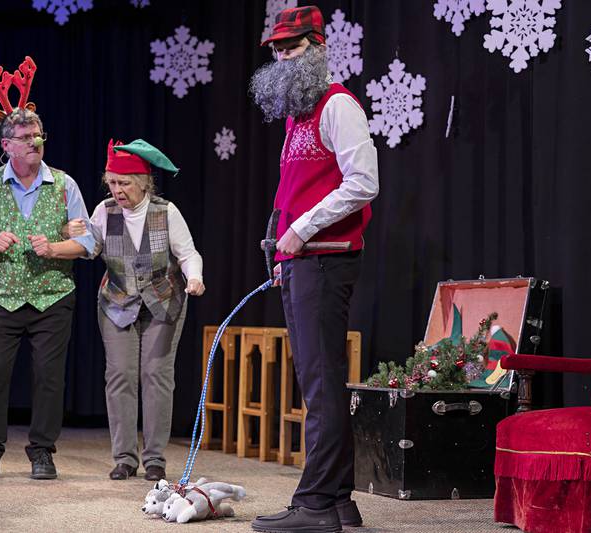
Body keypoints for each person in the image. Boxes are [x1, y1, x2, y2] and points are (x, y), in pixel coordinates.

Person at [249, 6, 379, 532]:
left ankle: (316, 503)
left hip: (326, 257)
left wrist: (301, 231)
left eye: (293, 47)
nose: (282, 57)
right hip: (301, 261)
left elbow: (363, 182)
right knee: (318, 381)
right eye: (277, 50)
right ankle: (340, 502)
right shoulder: (297, 114)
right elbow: (293, 191)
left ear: (318, 46)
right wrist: (282, 254)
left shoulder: (338, 105)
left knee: (322, 384)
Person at [0, 57, 94, 480]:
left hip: (53, 295)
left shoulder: (65, 185)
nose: (35, 142)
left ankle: (42, 452)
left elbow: (87, 243)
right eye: (25, 137)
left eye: (38, 135)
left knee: (49, 378)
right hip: (2, 293)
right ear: (6, 145)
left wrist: (54, 248)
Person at [68, 139, 204, 482]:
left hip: (163, 300)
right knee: (120, 376)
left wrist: (195, 277)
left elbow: (188, 254)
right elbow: (90, 247)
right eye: (112, 183)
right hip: (117, 301)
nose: (117, 190)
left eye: (124, 183)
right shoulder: (104, 211)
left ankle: (155, 458)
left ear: (143, 182)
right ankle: (125, 457)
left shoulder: (165, 211)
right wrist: (75, 234)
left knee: (156, 375)